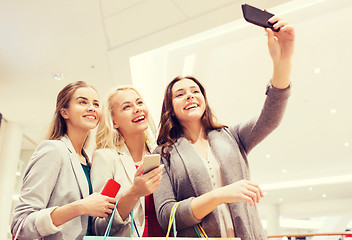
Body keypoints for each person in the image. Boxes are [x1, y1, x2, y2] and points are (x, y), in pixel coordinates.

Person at [153, 15, 295, 240]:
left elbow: (270, 118)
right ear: (170, 107)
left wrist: (282, 62)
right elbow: (167, 216)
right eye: (180, 94)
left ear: (204, 100)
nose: (189, 95)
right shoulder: (163, 153)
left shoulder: (231, 136)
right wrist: (220, 195)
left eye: (195, 91)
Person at [10, 81, 116, 240]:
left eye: (96, 103)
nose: (92, 108)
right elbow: (20, 224)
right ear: (64, 112)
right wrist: (79, 207)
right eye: (82, 102)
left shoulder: (88, 162)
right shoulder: (53, 150)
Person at [90, 86, 164, 237]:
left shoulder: (163, 154)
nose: (137, 109)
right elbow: (99, 226)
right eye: (127, 107)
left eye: (139, 103)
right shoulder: (105, 158)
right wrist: (134, 193)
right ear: (114, 122)